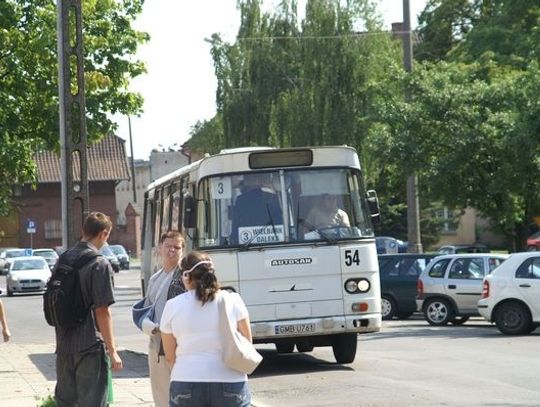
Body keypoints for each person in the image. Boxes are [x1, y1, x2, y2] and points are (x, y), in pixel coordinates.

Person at [161, 251, 253, 407]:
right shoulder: (232, 300)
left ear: (186, 276)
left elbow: (169, 356)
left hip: (186, 378)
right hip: (230, 378)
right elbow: (247, 342)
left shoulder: (172, 306)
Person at [54, 211, 122, 407]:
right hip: (90, 345)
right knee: (92, 402)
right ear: (103, 234)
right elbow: (102, 311)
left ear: (83, 231)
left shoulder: (63, 259)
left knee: (66, 403)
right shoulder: (99, 264)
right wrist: (112, 350)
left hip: (64, 344)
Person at [145, 230, 186, 407]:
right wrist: (145, 323)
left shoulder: (186, 277)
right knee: (161, 397)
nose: (172, 250)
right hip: (156, 345)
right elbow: (147, 308)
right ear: (159, 248)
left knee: (181, 396)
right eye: (168, 246)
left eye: (177, 247)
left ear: (182, 251)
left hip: (179, 346)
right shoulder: (155, 278)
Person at [231, 173, 283, 244]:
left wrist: (233, 239)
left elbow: (236, 225)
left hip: (246, 245)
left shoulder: (241, 200)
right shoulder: (272, 197)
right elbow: (279, 221)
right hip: (273, 241)